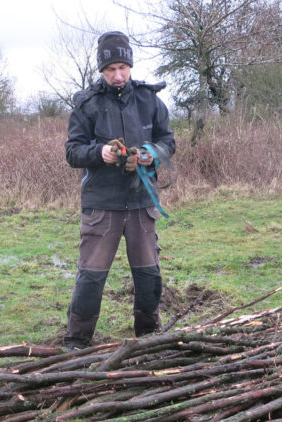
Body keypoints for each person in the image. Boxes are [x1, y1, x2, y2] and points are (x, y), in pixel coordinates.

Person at [63, 31, 176, 350]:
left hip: (142, 204)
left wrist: (150, 154)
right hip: (102, 206)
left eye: (123, 68)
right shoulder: (87, 104)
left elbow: (169, 142)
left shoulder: (150, 100)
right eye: (111, 69)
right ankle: (76, 341)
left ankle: (148, 335)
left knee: (148, 273)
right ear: (101, 70)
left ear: (130, 66)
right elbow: (72, 152)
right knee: (91, 275)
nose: (117, 75)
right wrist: (100, 153)